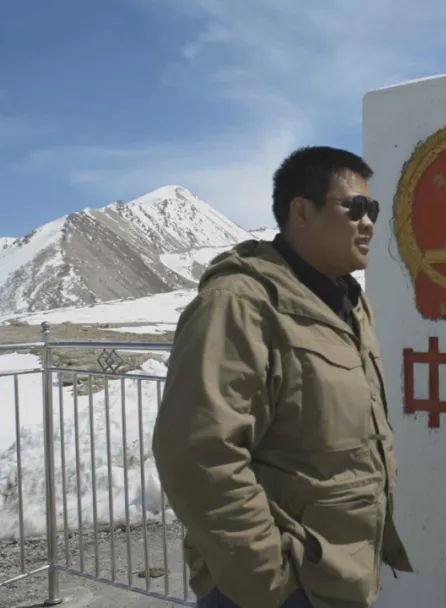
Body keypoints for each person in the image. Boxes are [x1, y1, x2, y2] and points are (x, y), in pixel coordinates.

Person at [153, 147, 412, 608]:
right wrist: (266, 576)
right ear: (301, 212)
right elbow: (197, 451)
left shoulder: (348, 303)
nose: (369, 222)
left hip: (340, 571)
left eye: (372, 209)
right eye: (354, 208)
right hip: (279, 586)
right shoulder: (240, 303)